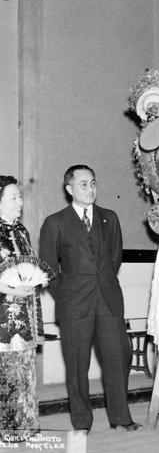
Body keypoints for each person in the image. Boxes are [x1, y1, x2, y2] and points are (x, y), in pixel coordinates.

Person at [39, 165, 142, 433]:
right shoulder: (55, 222)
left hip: (108, 301)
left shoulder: (110, 218)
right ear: (69, 189)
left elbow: (114, 258)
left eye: (93, 183)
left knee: (118, 359)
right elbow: (48, 268)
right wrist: (67, 294)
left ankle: (121, 418)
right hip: (74, 305)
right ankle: (82, 423)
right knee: (76, 367)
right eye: (83, 184)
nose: (90, 189)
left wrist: (103, 284)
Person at [0, 176, 44, 442]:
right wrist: (10, 290)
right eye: (13, 197)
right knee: (5, 373)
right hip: (3, 314)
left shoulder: (22, 231)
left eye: (20, 196)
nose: (20, 202)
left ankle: (25, 429)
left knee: (25, 370)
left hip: (25, 314)